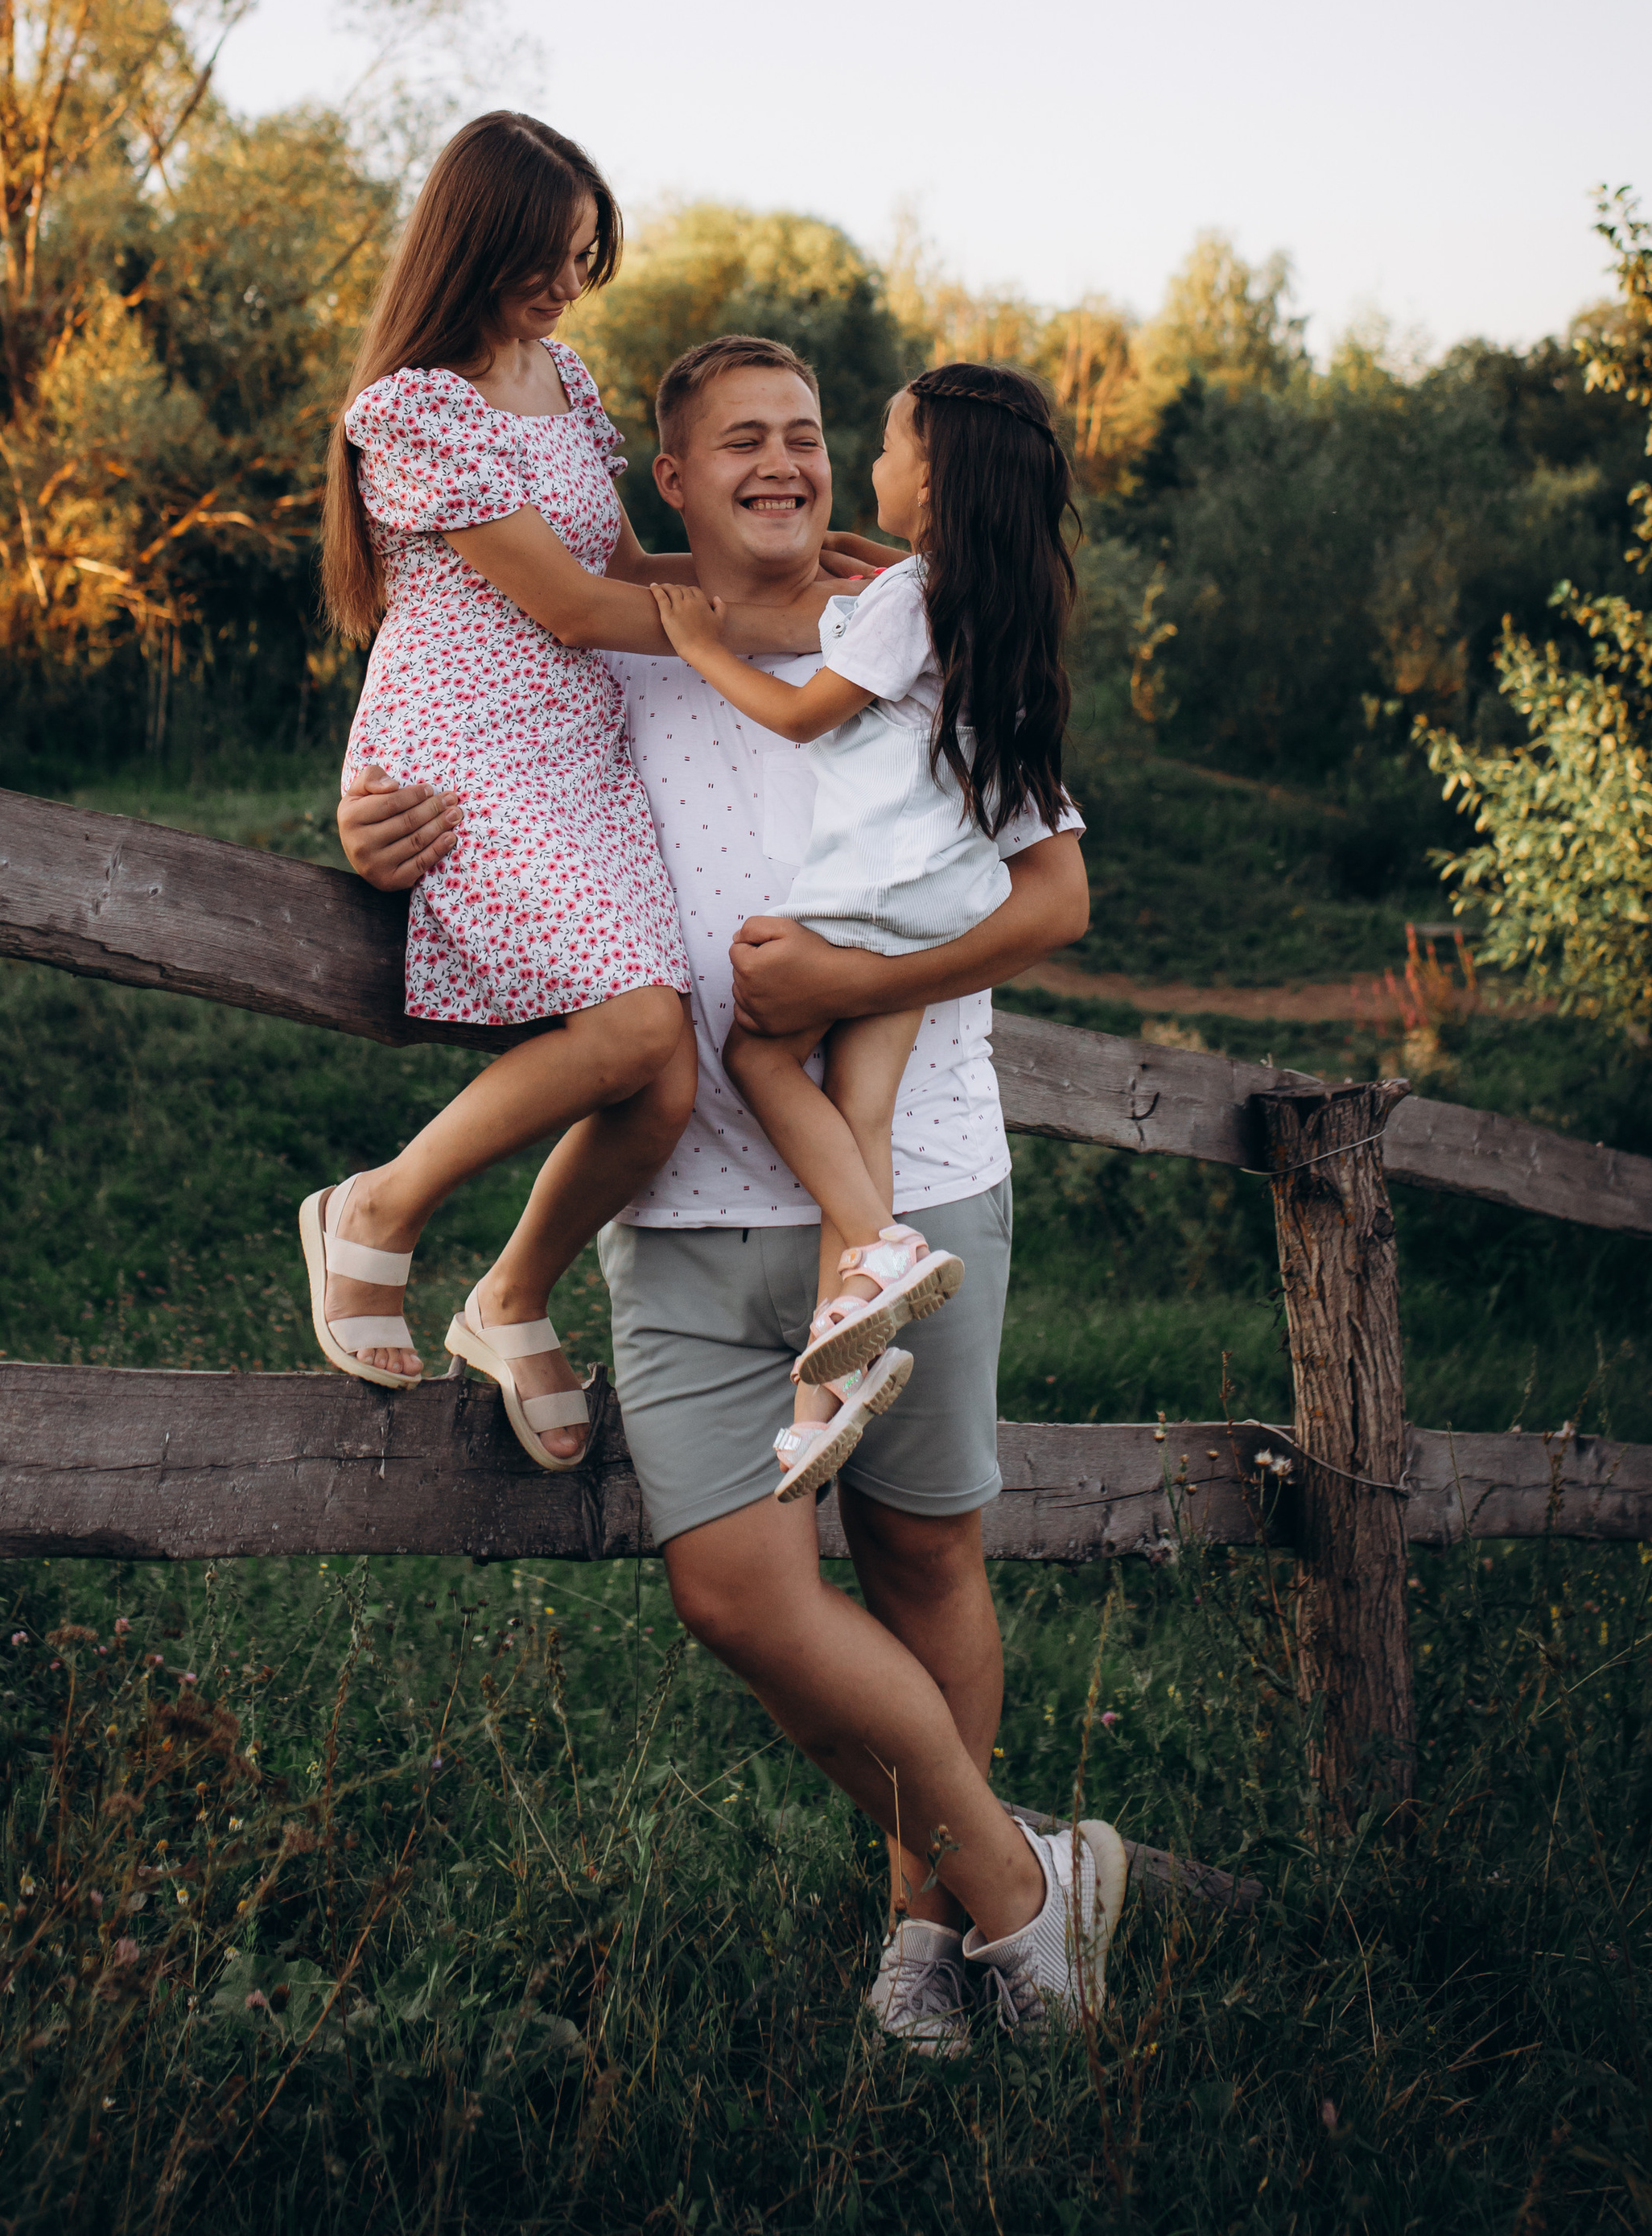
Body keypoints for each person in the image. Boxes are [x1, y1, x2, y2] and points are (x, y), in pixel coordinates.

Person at [340, 333, 1122, 2041]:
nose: (783, 465)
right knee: (734, 1592)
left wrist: (841, 988)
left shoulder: (920, 629)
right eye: (739, 444)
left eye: (808, 436)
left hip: (917, 1191)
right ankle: (1014, 1882)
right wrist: (372, 825)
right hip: (686, 1211)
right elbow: (457, 722)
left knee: (923, 1567)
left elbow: (1053, 894)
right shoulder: (614, 642)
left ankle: (928, 1941)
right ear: (667, 483)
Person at [311, 118, 858, 1471]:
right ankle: (372, 1210)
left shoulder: (562, 375)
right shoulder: (411, 410)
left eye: (583, 258)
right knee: (632, 1030)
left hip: (580, 758)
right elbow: (565, 603)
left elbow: (621, 560)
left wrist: (806, 575)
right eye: (543, 261)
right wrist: (791, 630)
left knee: (661, 1084)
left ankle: (507, 1303)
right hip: (467, 760)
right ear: (474, 244)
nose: (567, 287)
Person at [649, 364, 1077, 1509]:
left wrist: (697, 643)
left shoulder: (909, 598)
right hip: (942, 900)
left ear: (932, 478)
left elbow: (799, 715)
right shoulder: (990, 602)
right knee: (862, 1107)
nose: (869, 465)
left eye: (883, 447)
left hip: (871, 896)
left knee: (757, 1052)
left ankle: (879, 1246)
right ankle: (827, 1396)